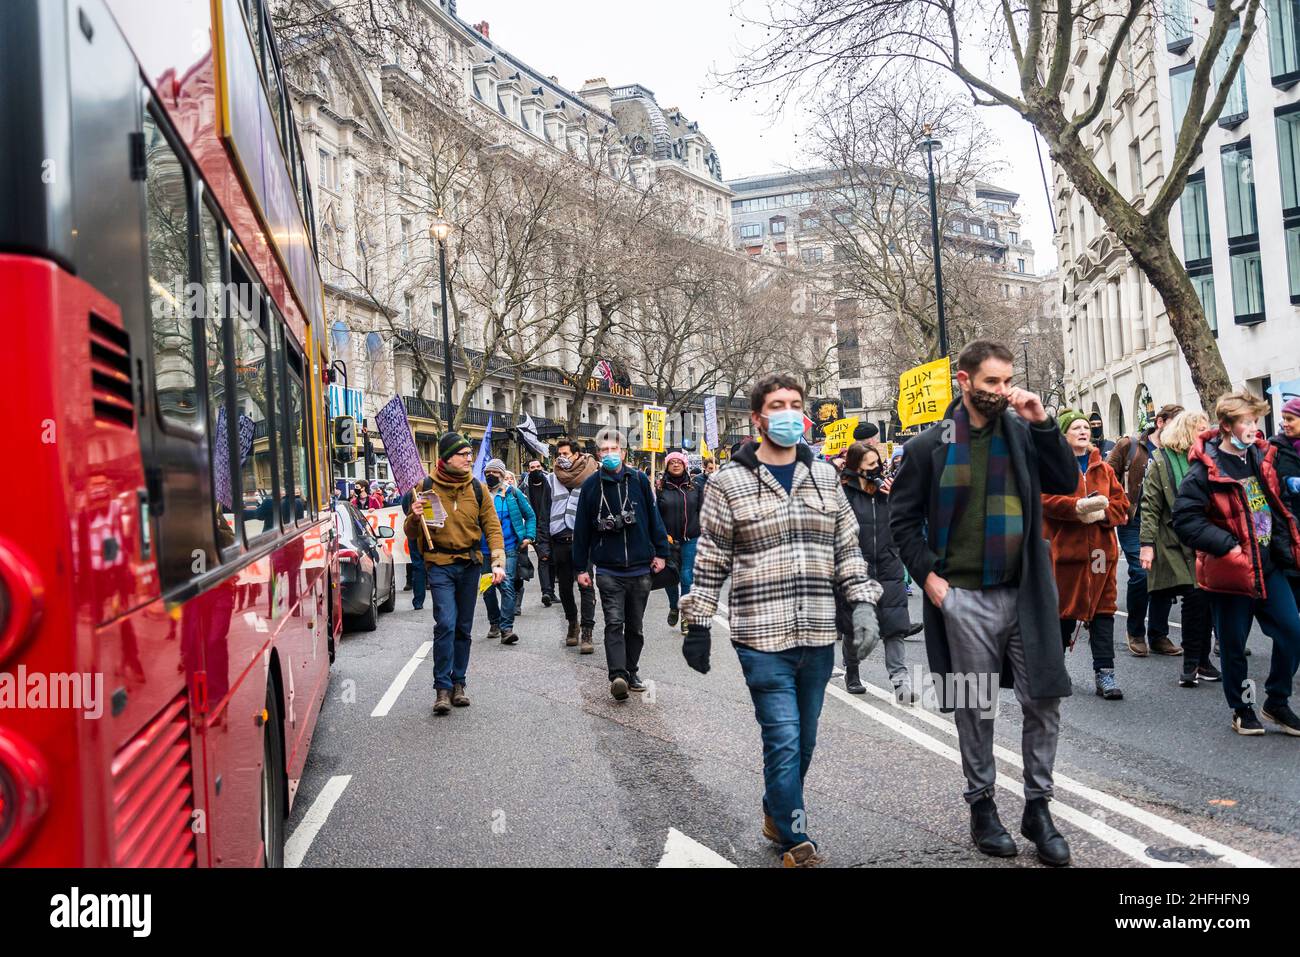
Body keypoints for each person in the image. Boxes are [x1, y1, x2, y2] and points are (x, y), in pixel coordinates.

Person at [889, 340, 1078, 866]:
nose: (1001, 390)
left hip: (1026, 591)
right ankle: (982, 805)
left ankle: (1038, 807)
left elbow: (1066, 481)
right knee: (975, 704)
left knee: (1044, 699)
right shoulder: (929, 445)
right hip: (963, 596)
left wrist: (1043, 420)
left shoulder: (1021, 432)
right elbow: (901, 524)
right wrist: (931, 582)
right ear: (964, 381)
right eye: (991, 382)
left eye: (1006, 380)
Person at [681, 373, 881, 868]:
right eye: (777, 405)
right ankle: (796, 835)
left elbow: (847, 549)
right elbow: (710, 559)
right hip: (760, 634)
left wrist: (861, 602)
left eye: (795, 404)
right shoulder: (729, 482)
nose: (789, 413)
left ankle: (775, 808)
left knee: (806, 736)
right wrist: (699, 623)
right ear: (758, 417)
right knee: (783, 734)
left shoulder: (826, 477)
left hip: (816, 630)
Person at [1173, 391, 1300, 736]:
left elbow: (1279, 504)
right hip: (1231, 572)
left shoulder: (1261, 458)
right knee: (1233, 647)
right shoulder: (1204, 469)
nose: (1254, 428)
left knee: (1293, 633)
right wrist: (1227, 546)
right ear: (1227, 426)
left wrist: (1287, 541)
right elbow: (1184, 519)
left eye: (1257, 421)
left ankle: (1276, 700)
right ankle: (1242, 709)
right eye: (1247, 421)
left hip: (1269, 566)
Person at [403, 433, 505, 715]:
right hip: (439, 563)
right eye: (463, 455)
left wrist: (498, 562)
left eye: (470, 455)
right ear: (446, 458)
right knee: (445, 623)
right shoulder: (425, 488)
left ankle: (459, 683)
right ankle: (442, 689)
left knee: (463, 627)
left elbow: (492, 528)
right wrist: (414, 516)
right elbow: (412, 533)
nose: (469, 459)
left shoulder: (478, 488)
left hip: (470, 564)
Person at [573, 429, 669, 700]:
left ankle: (631, 670)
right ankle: (617, 676)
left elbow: (654, 519)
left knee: (635, 625)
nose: (610, 454)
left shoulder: (638, 479)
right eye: (604, 450)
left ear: (624, 452)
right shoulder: (591, 486)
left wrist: (661, 552)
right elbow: (582, 530)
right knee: (614, 622)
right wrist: (581, 568)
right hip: (608, 569)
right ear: (598, 454)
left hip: (640, 567)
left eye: (614, 449)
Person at [1041, 410, 1131, 700]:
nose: (1082, 431)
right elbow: (1041, 501)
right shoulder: (1052, 468)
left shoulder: (1103, 470)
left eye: (1085, 427)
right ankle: (1055, 670)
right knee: (1063, 614)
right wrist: (1076, 508)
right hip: (1065, 555)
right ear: (1064, 436)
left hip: (1101, 555)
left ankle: (1105, 674)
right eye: (1075, 428)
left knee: (1104, 612)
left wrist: (1104, 512)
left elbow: (1122, 505)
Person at [838, 441, 922, 702]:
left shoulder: (888, 491)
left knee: (894, 626)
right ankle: (852, 672)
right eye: (871, 464)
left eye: (879, 463)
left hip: (888, 566)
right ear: (856, 468)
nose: (878, 468)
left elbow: (912, 520)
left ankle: (901, 683)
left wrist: (897, 496)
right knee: (855, 626)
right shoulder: (843, 495)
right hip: (855, 568)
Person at [1140, 411, 1218, 688]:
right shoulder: (1161, 461)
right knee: (1194, 595)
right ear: (1186, 431)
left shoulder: (1209, 459)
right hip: (1173, 539)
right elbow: (1149, 506)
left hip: (1206, 537)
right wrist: (1146, 544)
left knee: (1208, 598)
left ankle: (1203, 660)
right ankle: (1190, 665)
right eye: (1200, 428)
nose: (1206, 433)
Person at [1109, 404, 1185, 657]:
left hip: (1165, 524)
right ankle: (1136, 632)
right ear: (1161, 422)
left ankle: (1159, 635)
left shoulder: (1177, 451)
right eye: (1175, 423)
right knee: (1142, 573)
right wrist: (1118, 504)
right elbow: (1106, 476)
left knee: (1164, 577)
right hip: (1133, 522)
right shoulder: (1131, 445)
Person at [548, 438, 599, 653]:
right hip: (559, 540)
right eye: (559, 454)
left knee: (586, 585)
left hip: (582, 542)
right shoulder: (551, 478)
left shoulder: (593, 477)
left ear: (577, 454)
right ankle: (572, 623)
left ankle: (587, 630)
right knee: (565, 588)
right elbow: (543, 509)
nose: (562, 458)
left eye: (566, 454)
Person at [480, 459, 535, 645]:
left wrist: (529, 536)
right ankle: (494, 623)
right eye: (488, 472)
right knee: (487, 590)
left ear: (502, 475)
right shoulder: (480, 494)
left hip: (509, 548)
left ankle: (506, 628)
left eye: (495, 473)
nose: (490, 476)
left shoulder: (513, 493)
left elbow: (530, 515)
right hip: (485, 550)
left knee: (507, 586)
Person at [657, 451, 703, 635]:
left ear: (684, 466)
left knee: (687, 577)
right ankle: (673, 606)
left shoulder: (695, 487)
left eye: (679, 462)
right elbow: (656, 515)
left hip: (691, 538)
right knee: (670, 576)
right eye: (672, 462)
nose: (675, 465)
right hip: (668, 540)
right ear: (667, 466)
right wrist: (660, 535)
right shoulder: (660, 488)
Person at [524, 459, 557, 607]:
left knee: (553, 560)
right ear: (528, 470)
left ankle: (551, 591)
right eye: (532, 467)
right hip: (536, 530)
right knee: (544, 558)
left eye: (538, 466)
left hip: (554, 528)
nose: (536, 469)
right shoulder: (524, 489)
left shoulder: (551, 485)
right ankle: (546, 592)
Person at [401, 485, 426, 609]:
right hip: (423, 532)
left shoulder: (407, 493)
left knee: (418, 566)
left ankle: (418, 601)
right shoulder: (427, 488)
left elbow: (405, 509)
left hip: (414, 533)